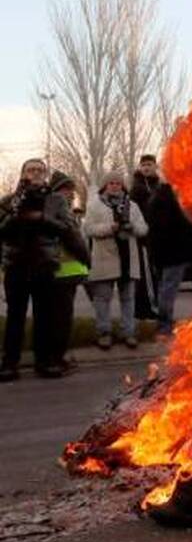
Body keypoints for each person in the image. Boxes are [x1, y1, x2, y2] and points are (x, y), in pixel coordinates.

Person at [0, 159, 80, 381]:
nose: (35, 173)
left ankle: (45, 362)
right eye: (30, 170)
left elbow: (67, 228)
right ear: (22, 173)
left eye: (39, 170)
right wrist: (15, 215)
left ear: (45, 175)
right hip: (16, 265)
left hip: (44, 265)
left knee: (44, 316)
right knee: (15, 316)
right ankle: (9, 364)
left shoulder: (56, 200)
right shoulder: (8, 200)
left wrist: (42, 218)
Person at [83, 171, 150, 348]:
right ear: (105, 186)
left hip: (128, 260)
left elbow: (144, 229)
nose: (114, 186)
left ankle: (128, 332)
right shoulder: (94, 205)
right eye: (111, 183)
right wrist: (109, 228)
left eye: (118, 183)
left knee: (128, 299)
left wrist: (133, 226)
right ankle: (104, 332)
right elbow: (88, 229)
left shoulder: (132, 206)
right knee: (102, 299)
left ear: (123, 186)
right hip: (105, 258)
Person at [46, 171, 90, 377]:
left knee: (60, 318)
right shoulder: (56, 210)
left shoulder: (62, 210)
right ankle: (56, 360)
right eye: (66, 189)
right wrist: (87, 258)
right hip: (61, 273)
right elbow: (74, 241)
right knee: (60, 319)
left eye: (71, 189)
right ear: (56, 191)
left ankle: (56, 357)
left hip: (68, 273)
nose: (70, 193)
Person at [146, 182, 192, 338]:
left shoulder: (156, 199)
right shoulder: (175, 201)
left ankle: (163, 323)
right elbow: (186, 228)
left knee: (163, 289)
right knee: (168, 290)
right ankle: (164, 326)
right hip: (175, 254)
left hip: (160, 254)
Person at [129, 154, 161, 321]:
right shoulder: (138, 187)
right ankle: (148, 310)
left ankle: (151, 307)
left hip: (158, 238)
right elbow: (133, 212)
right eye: (144, 165)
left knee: (155, 274)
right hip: (144, 239)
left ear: (155, 166)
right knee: (146, 275)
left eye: (149, 164)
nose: (146, 168)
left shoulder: (159, 185)